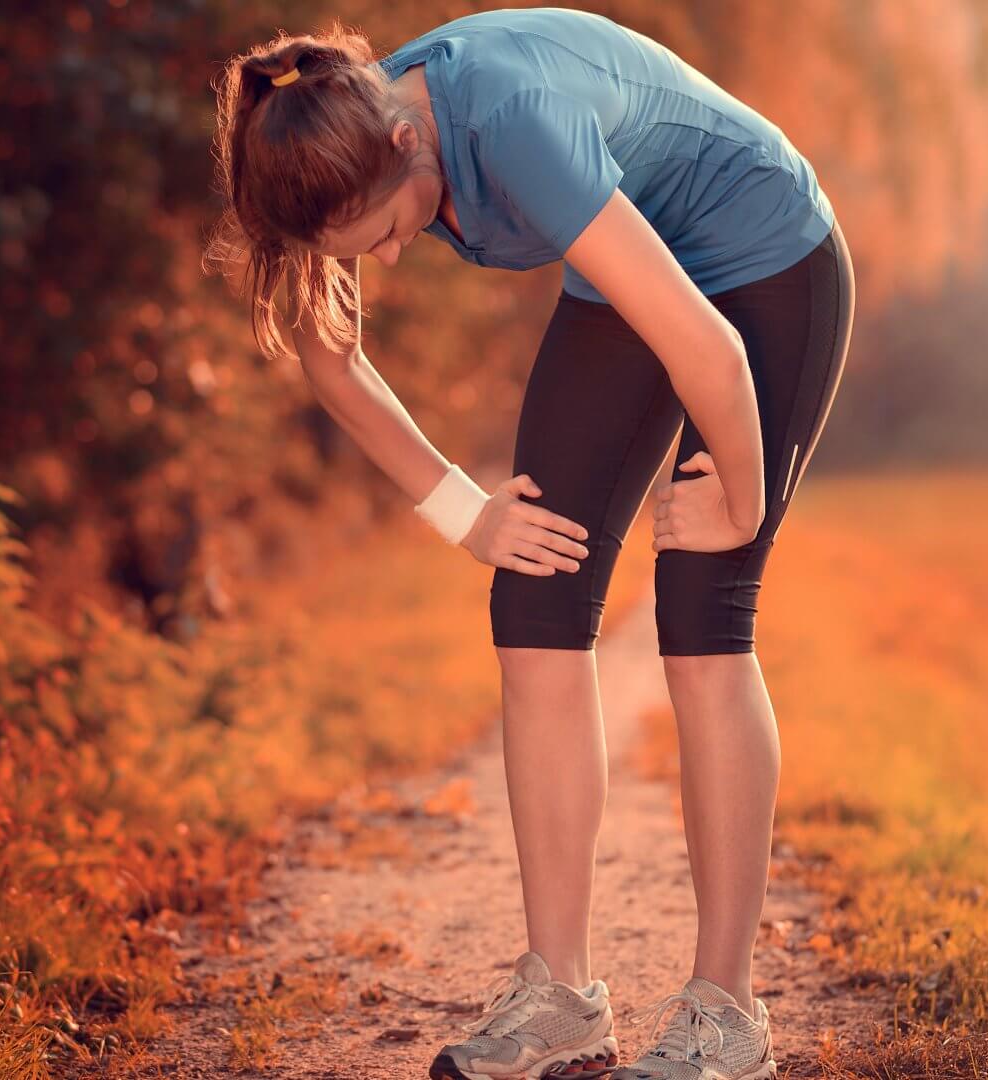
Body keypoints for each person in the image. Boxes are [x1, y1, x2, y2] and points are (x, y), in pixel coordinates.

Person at [204, 8, 854, 1079]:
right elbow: (332, 360)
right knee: (534, 595)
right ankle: (562, 997)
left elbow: (709, 347)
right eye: (363, 251)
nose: (390, 256)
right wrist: (468, 515)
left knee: (702, 612)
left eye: (388, 231)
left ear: (408, 140)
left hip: (764, 256)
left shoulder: (513, 122)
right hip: (633, 270)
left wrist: (741, 504)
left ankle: (728, 1015)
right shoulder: (332, 142)